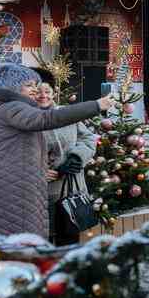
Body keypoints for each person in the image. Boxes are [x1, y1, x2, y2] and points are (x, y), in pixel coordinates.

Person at [0, 63, 114, 240]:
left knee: (43, 241)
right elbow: (47, 120)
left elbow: (16, 154)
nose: (37, 91)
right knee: (25, 245)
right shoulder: (15, 109)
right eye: (30, 86)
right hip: (21, 193)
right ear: (14, 87)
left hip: (49, 189)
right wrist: (96, 105)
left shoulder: (7, 110)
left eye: (40, 87)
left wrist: (76, 158)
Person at [35, 82, 97, 245]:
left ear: (53, 93)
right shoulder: (27, 119)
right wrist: (37, 170)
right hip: (41, 190)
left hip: (71, 187)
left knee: (69, 236)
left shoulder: (66, 114)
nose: (43, 96)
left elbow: (88, 138)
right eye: (38, 92)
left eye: (47, 91)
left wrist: (77, 157)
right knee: (43, 239)